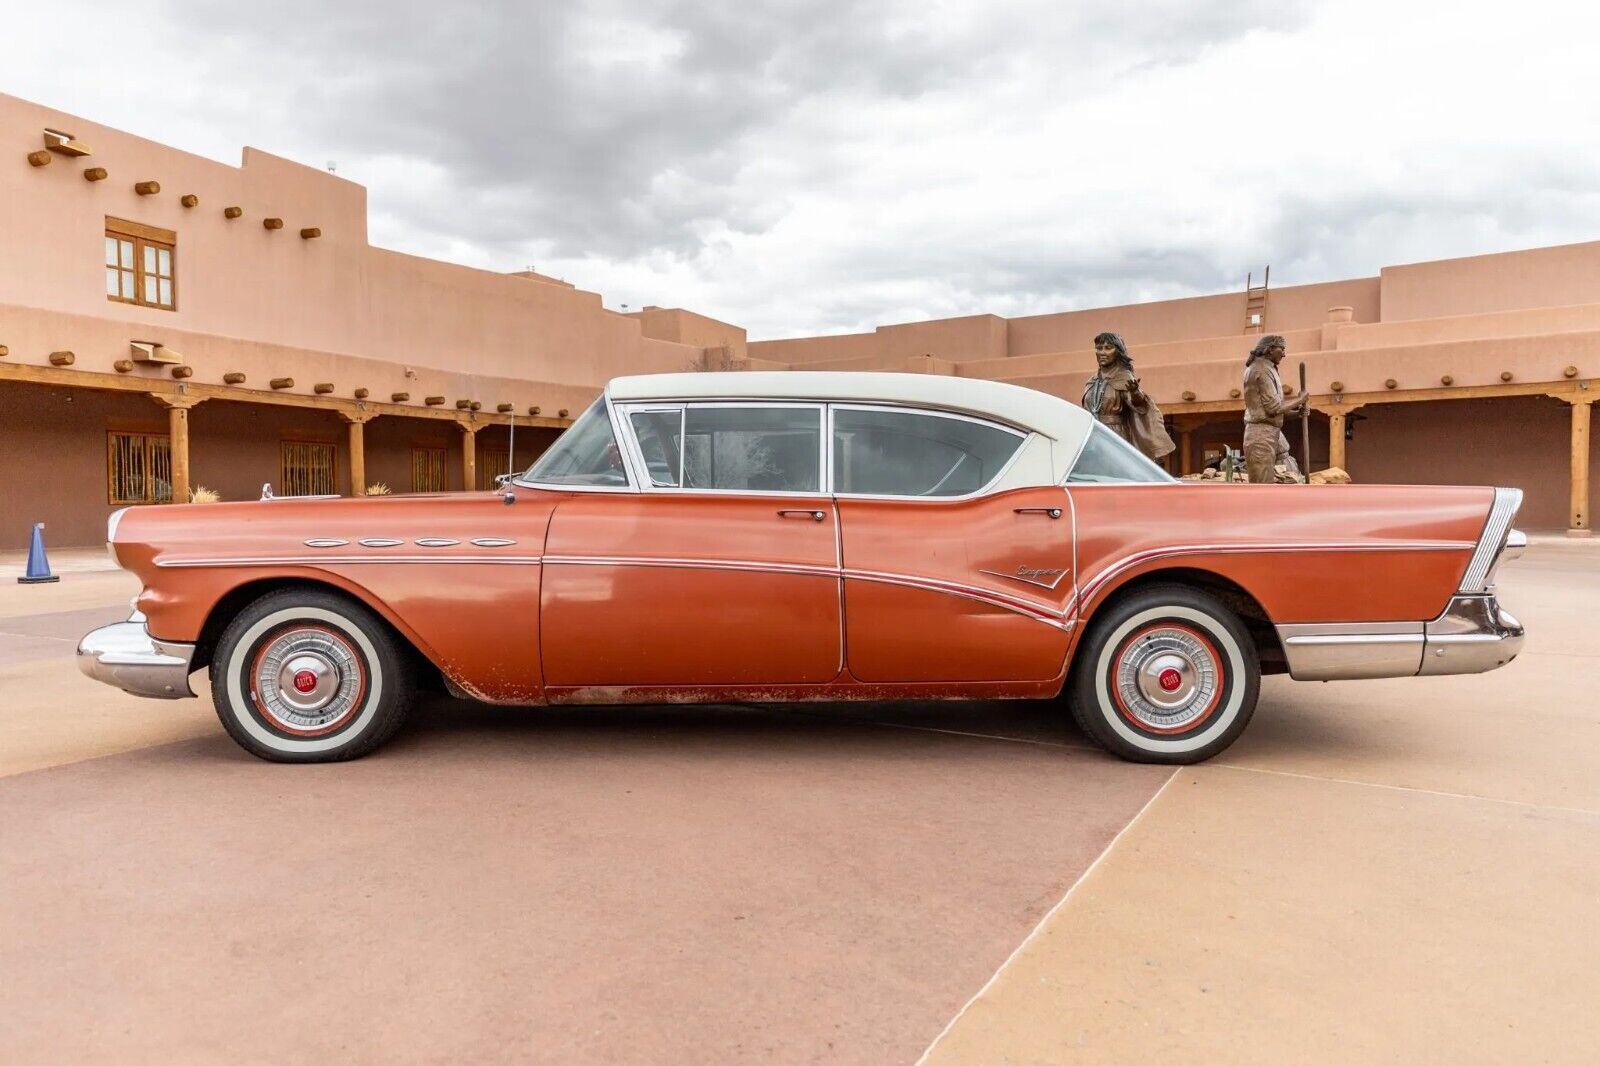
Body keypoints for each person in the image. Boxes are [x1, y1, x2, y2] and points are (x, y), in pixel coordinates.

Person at [1082, 332, 1175, 462]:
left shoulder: (1124, 377)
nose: (1102, 352)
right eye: (1099, 348)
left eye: (1108, 348)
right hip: (1093, 435)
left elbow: (1139, 405)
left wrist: (1135, 393)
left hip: (1115, 434)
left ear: (1118, 351)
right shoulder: (1092, 381)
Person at [1242, 334, 1306, 483]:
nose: (1284, 354)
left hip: (1268, 432)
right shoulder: (1261, 370)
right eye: (1281, 349)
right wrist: (1300, 399)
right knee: (1262, 491)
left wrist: (1297, 413)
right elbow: (1273, 407)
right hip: (1261, 435)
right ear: (1270, 349)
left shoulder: (1267, 368)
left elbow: (1269, 411)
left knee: (1277, 478)